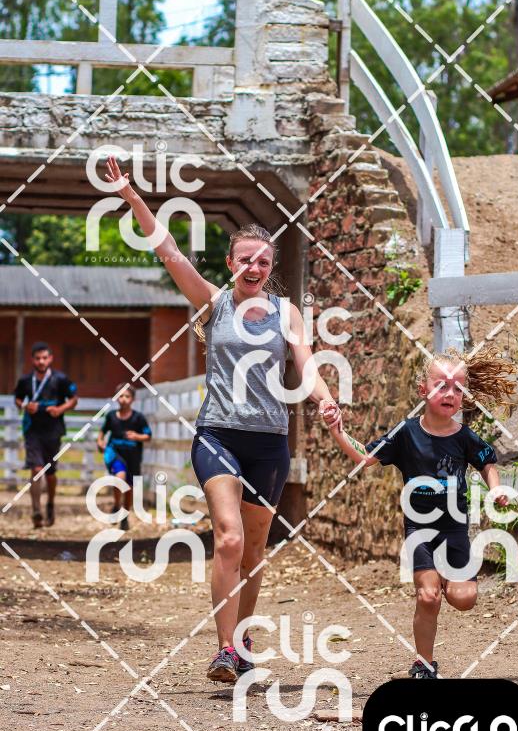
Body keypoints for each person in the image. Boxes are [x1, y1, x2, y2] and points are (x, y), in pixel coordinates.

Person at [105, 155, 342, 683]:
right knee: (230, 539)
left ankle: (243, 637)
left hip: (269, 443)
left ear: (271, 266)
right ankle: (225, 650)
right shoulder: (213, 303)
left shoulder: (285, 313)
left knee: (254, 551)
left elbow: (306, 364)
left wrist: (324, 399)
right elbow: (168, 250)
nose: (253, 268)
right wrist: (133, 198)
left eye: (263, 261)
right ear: (231, 263)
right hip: (218, 436)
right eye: (244, 260)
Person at [323, 346, 517, 679]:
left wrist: (495, 488)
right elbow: (365, 458)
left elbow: (486, 461)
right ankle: (423, 664)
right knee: (428, 597)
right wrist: (337, 430)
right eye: (441, 385)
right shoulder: (406, 433)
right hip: (420, 530)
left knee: (465, 599)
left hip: (454, 530)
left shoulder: (464, 437)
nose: (450, 393)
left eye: (458, 388)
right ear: (422, 390)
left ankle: (448, 577)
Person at [14, 342, 78, 528]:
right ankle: (36, 511)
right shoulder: (25, 381)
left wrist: (60, 409)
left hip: (53, 431)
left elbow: (74, 399)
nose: (41, 362)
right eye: (37, 358)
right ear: (32, 360)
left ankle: (50, 502)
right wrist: (25, 406)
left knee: (50, 473)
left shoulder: (61, 379)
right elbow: (17, 399)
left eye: (44, 358)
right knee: (36, 469)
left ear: (50, 358)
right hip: (32, 430)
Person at [96, 384, 152, 531]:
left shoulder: (138, 418)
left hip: (133, 456)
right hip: (114, 453)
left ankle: (124, 516)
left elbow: (148, 435)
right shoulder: (111, 416)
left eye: (127, 396)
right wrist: (100, 442)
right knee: (119, 478)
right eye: (121, 396)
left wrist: (137, 436)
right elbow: (102, 432)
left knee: (129, 487)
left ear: (133, 399)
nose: (124, 399)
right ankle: (116, 504)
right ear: (116, 398)